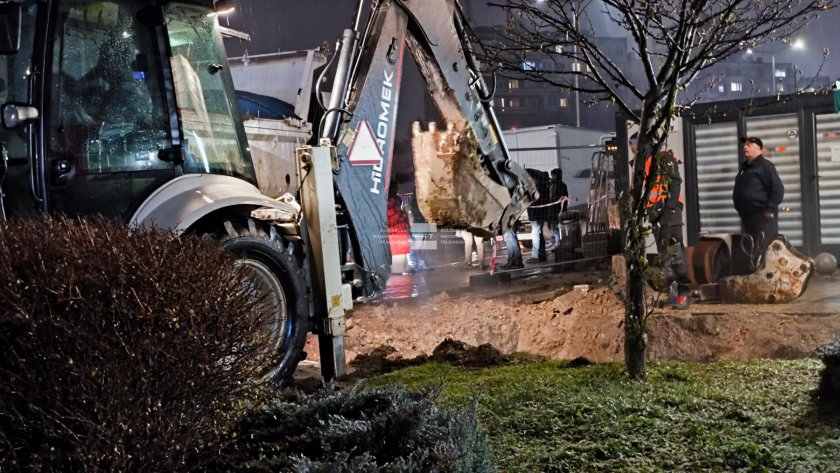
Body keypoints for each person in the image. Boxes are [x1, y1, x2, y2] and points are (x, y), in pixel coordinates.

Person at [629, 132, 691, 308]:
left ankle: (684, 292)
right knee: (665, 254)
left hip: (669, 214)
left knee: (674, 251)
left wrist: (670, 207)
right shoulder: (643, 165)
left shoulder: (662, 158)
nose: (632, 148)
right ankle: (673, 293)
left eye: (633, 144)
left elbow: (675, 181)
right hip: (656, 215)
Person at [732, 136, 784, 261]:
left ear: (759, 148)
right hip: (747, 215)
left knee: (765, 248)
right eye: (745, 144)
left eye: (749, 145)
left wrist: (769, 209)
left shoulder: (766, 166)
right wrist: (740, 209)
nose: (745, 147)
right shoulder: (744, 168)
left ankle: (767, 278)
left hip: (762, 216)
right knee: (750, 248)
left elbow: (778, 189)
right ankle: (754, 275)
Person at [525, 168, 551, 263]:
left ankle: (535, 256)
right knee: (539, 235)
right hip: (538, 215)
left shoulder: (538, 188)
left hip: (536, 215)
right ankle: (542, 255)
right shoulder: (544, 187)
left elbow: (535, 201)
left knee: (535, 235)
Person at [547, 168, 569, 253]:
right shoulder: (552, 185)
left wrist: (562, 209)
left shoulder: (560, 185)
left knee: (557, 228)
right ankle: (558, 244)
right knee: (555, 228)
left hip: (557, 210)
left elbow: (562, 198)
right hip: (553, 210)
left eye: (553, 175)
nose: (552, 177)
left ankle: (559, 245)